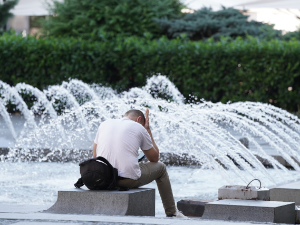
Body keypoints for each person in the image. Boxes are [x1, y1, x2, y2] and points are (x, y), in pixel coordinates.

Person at [93, 108, 188, 218]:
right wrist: (147, 130)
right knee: (161, 168)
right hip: (125, 181)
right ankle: (172, 213)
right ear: (139, 119)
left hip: (102, 179)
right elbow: (154, 158)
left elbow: (95, 156)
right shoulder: (139, 127)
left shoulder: (105, 124)